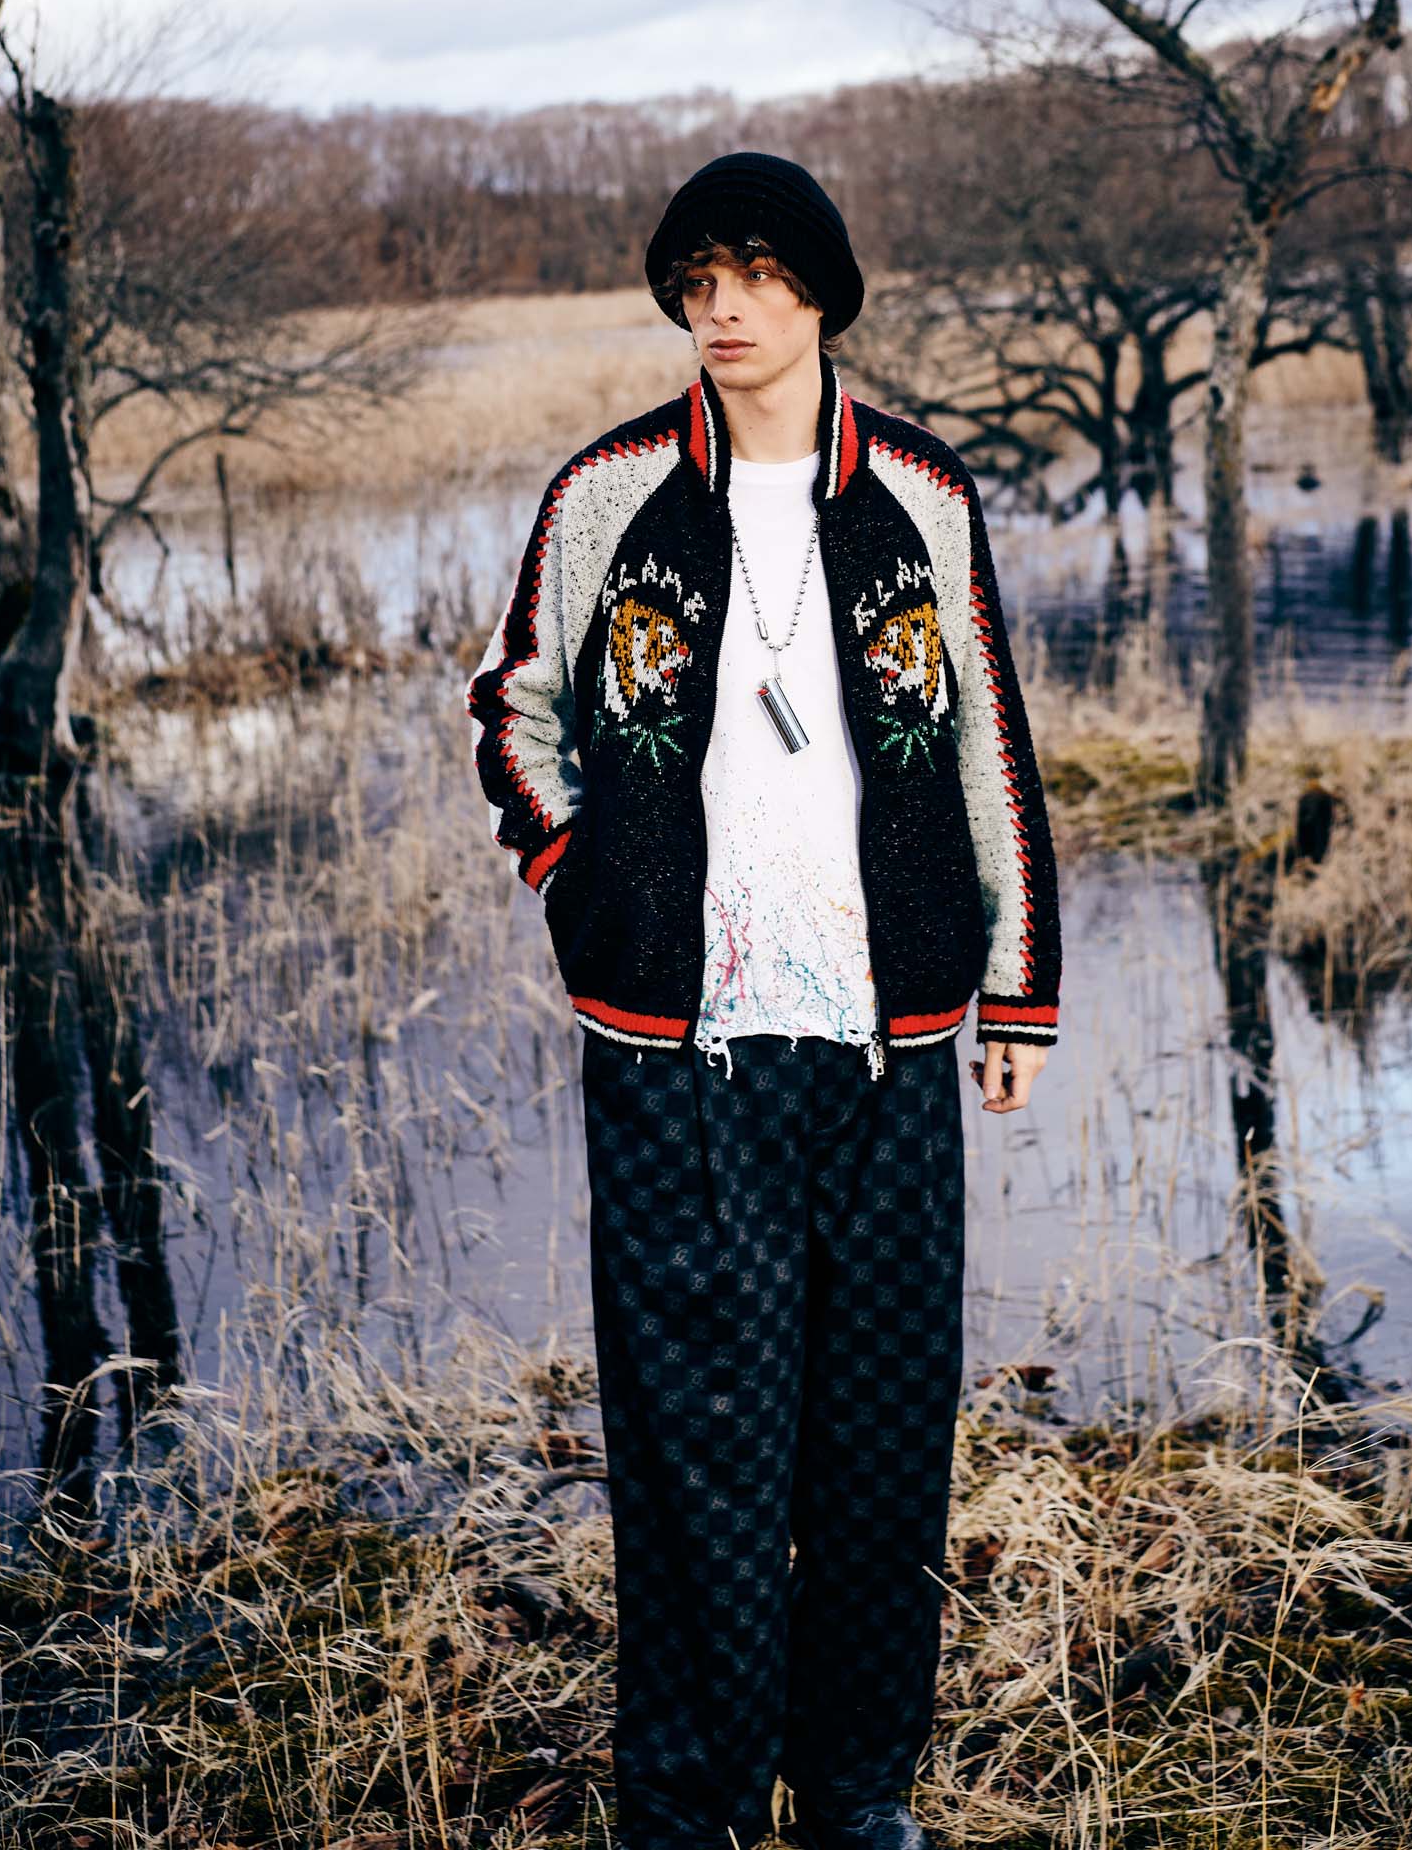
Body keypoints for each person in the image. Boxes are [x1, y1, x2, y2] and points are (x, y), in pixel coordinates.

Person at [467, 152, 1062, 1850]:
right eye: (699, 281)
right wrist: (583, 876)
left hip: (887, 1044)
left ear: (821, 294)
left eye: (758, 277)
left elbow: (986, 746)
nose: (722, 309)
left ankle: (857, 1792)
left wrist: (1014, 989)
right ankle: (691, 1804)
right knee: (694, 1447)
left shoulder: (923, 495)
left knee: (883, 1434)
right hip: (678, 1048)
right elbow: (514, 706)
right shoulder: (612, 492)